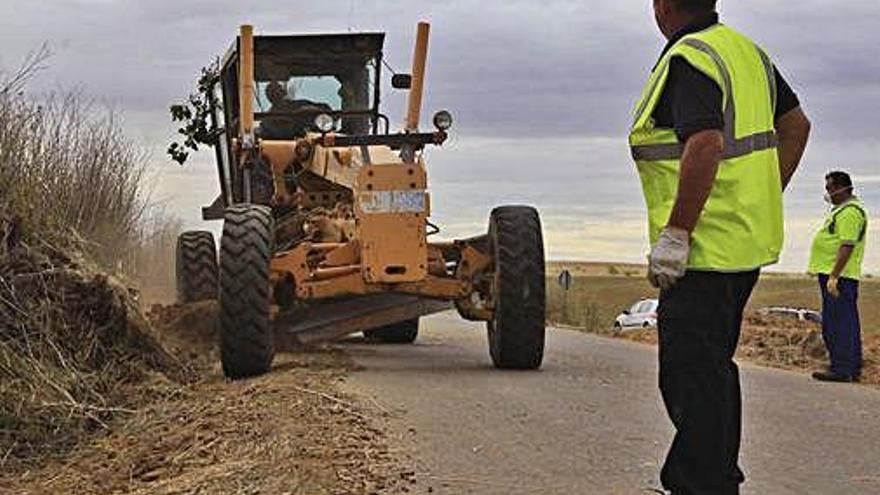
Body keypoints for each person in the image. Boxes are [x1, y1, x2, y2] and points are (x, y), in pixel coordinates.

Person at [629, 1, 812, 493]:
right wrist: (762, 198)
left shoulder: (691, 58)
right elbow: (798, 126)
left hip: (703, 250)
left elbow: (704, 142)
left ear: (663, 5)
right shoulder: (746, 52)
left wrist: (677, 234)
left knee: (692, 373)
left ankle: (700, 484)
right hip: (742, 245)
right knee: (711, 368)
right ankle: (716, 477)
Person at [808, 171, 869, 383]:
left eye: (830, 189)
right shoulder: (841, 211)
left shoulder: (850, 212)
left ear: (842, 188)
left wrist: (834, 276)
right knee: (844, 321)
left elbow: (847, 244)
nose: (828, 193)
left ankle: (842, 368)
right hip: (837, 275)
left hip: (839, 277)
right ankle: (850, 367)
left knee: (837, 323)